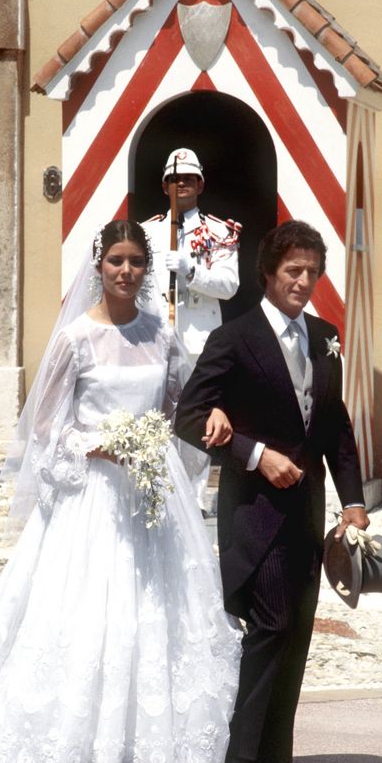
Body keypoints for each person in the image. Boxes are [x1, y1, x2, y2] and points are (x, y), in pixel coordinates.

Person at [0, 220, 242, 763]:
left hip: (150, 492)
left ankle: (139, 747)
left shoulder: (161, 334)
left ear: (147, 271)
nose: (125, 271)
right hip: (91, 494)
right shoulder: (75, 339)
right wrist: (95, 446)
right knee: (87, 613)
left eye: (136, 262)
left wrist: (202, 420)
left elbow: (176, 408)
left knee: (154, 614)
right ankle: (66, 745)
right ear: (98, 267)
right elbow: (45, 427)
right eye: (116, 260)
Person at [175, 220, 369, 763]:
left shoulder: (325, 334)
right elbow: (188, 416)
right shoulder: (233, 338)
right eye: (294, 271)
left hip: (307, 514)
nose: (304, 281)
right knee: (270, 625)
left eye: (312, 271)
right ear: (268, 273)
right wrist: (254, 453)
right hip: (254, 511)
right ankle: (238, 756)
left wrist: (353, 501)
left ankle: (273, 759)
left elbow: (335, 426)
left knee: (297, 631)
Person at [142, 148, 241, 511]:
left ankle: (196, 493)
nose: (179, 185)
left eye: (187, 179)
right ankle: (159, 487)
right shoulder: (147, 231)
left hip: (199, 340)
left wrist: (191, 271)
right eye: (173, 179)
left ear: (200, 184)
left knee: (197, 414)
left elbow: (229, 286)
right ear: (164, 184)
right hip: (156, 336)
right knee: (158, 412)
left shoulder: (219, 232)